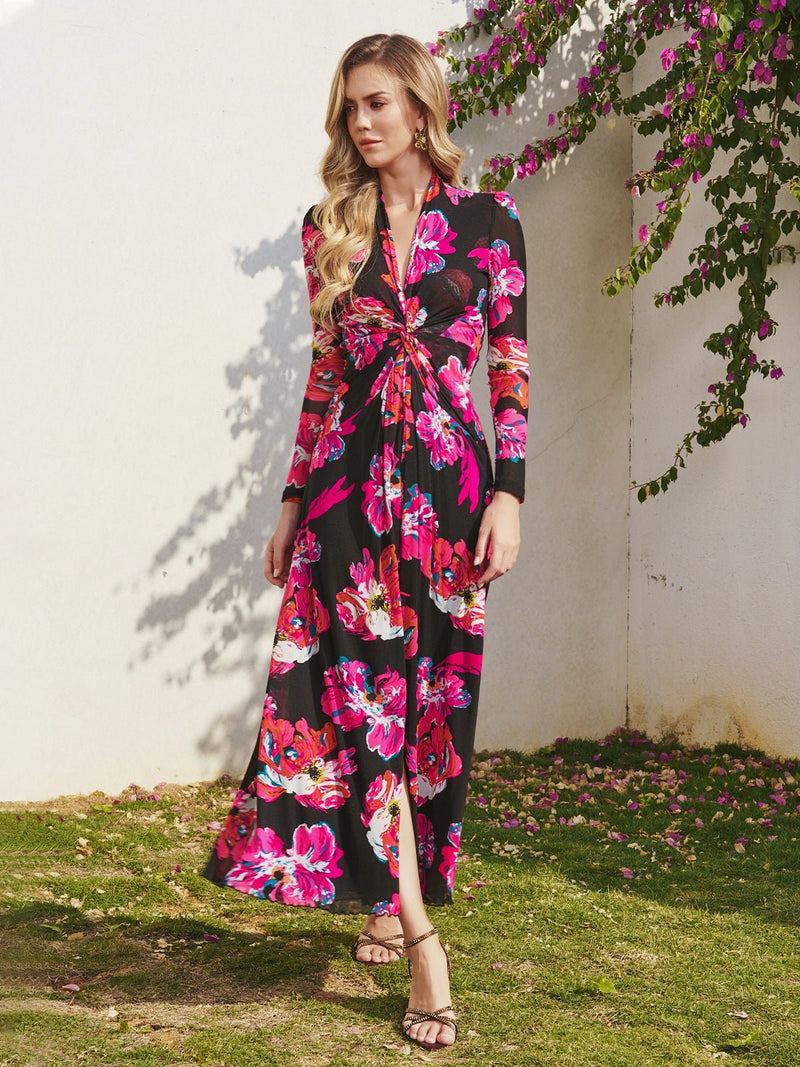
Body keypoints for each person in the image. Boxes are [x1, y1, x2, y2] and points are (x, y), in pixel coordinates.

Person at [202, 32, 528, 1050]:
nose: (362, 121)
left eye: (377, 102)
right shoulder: (329, 229)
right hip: (347, 503)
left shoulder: (489, 223)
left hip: (448, 503)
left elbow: (509, 368)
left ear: (420, 107)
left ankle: (386, 897)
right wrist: (291, 503)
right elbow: (324, 376)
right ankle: (422, 940)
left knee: (427, 715)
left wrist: (510, 495)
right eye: (351, 106)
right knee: (360, 708)